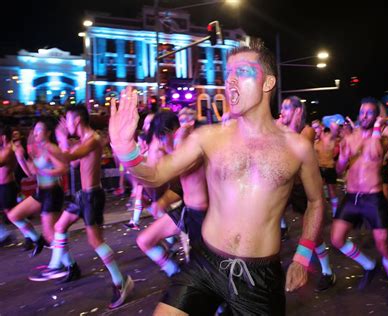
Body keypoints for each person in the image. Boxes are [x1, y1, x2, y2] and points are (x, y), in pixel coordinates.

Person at [109, 40, 325, 315]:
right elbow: (155, 175)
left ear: (268, 83)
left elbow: (316, 202)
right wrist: (125, 150)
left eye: (243, 71)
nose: (231, 80)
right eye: (229, 73)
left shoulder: (298, 148)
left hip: (258, 279)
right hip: (204, 264)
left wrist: (303, 255)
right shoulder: (208, 137)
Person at [29, 105, 134, 309]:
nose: (65, 125)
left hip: (91, 196)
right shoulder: (85, 140)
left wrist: (59, 140)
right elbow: (74, 163)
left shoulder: (93, 139)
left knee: (96, 242)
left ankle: (121, 282)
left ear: (76, 121)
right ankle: (57, 266)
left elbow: (68, 158)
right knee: (59, 228)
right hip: (81, 196)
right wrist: (65, 144)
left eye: (67, 120)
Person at [332, 97, 388, 308]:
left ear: (377, 116)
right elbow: (338, 169)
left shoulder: (386, 134)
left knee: (383, 246)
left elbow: (376, 152)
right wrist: (344, 157)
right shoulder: (351, 136)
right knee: (336, 239)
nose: (363, 116)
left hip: (373, 197)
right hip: (352, 196)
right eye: (362, 112)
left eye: (369, 113)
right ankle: (369, 265)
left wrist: (377, 129)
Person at [136, 108, 207, 276]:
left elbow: (159, 178)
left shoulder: (188, 145)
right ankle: (175, 273)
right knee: (144, 240)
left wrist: (130, 157)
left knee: (203, 270)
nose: (159, 145)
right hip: (187, 211)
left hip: (203, 215)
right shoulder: (175, 147)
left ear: (169, 133)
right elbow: (173, 185)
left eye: (160, 139)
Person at [279, 96, 336, 291]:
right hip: (288, 187)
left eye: (287, 108)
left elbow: (295, 150)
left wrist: (281, 129)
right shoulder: (282, 130)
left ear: (297, 111)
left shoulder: (308, 131)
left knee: (314, 234)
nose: (282, 112)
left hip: (305, 188)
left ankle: (328, 272)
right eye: (282, 108)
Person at [9, 118, 67, 256]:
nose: (35, 133)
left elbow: (63, 169)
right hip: (41, 192)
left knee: (51, 235)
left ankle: (70, 266)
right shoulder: (38, 149)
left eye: (39, 130)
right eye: (34, 130)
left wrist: (44, 172)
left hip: (52, 192)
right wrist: (21, 158)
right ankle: (36, 239)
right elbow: (31, 173)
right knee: (14, 215)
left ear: (48, 133)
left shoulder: (51, 148)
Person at [0, 125, 17, 246]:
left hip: (7, 186)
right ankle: (3, 235)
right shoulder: (3, 148)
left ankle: (31, 236)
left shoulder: (9, 149)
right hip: (2, 186)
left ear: (4, 137)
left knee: (12, 214)